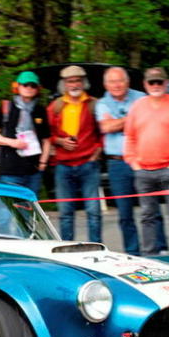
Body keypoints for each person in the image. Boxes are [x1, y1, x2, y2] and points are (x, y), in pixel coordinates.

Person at [96, 66, 165, 255]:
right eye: (112, 81)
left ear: (127, 82)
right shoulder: (102, 103)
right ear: (105, 84)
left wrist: (119, 122)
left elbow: (150, 123)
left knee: (151, 208)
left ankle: (160, 249)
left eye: (120, 81)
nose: (116, 85)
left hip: (143, 160)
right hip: (117, 163)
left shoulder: (142, 98)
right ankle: (132, 252)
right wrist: (133, 118)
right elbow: (106, 128)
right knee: (124, 212)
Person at [123, 67, 169, 255]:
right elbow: (129, 137)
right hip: (143, 170)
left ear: (166, 83)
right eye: (151, 82)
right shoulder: (137, 106)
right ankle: (149, 254)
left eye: (159, 82)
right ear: (145, 85)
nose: (155, 86)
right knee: (147, 216)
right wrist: (134, 163)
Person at [47, 65, 103, 243]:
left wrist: (97, 152)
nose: (74, 84)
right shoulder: (55, 106)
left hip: (88, 163)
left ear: (84, 82)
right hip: (63, 165)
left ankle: (96, 247)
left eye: (77, 80)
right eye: (70, 81)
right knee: (65, 213)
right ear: (64, 84)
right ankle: (68, 249)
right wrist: (60, 141)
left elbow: (103, 132)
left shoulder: (94, 104)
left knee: (93, 211)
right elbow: (46, 133)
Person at [0, 71, 52, 193]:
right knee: (8, 209)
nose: (29, 88)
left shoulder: (40, 110)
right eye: (25, 85)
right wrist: (12, 142)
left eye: (33, 85)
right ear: (17, 86)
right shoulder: (7, 107)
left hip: (33, 170)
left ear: (37, 89)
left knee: (30, 209)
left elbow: (46, 139)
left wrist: (43, 162)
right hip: (10, 169)